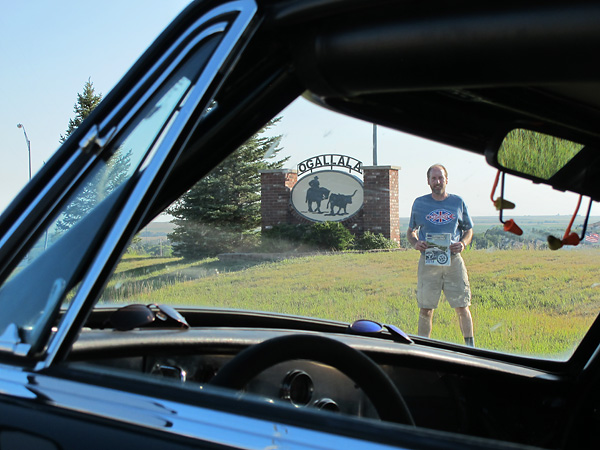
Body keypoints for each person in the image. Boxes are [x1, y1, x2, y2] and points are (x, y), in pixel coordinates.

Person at [406, 164, 475, 347]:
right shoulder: (420, 203)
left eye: (440, 178)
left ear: (447, 179)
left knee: (462, 306)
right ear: (428, 181)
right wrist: (415, 243)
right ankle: (422, 348)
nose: (437, 182)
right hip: (428, 262)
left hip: (453, 261)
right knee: (426, 309)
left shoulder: (457, 202)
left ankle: (470, 347)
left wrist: (463, 243)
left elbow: (468, 230)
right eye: (434, 178)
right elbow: (410, 232)